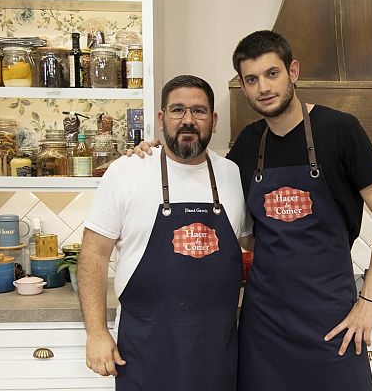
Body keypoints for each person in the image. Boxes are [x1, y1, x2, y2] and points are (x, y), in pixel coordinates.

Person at [129, 30, 372, 391]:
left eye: (271, 74)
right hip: (265, 324)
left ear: (293, 71)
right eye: (252, 79)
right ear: (243, 87)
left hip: (332, 316)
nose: (263, 87)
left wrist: (369, 301)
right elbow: (200, 174)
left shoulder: (339, 130)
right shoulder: (248, 143)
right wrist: (152, 153)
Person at [78, 75, 249, 391]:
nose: (188, 120)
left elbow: (249, 243)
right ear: (161, 118)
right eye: (177, 110)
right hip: (145, 353)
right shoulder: (126, 171)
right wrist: (96, 332)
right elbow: (93, 254)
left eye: (198, 111)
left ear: (213, 120)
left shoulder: (231, 173)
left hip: (217, 355)